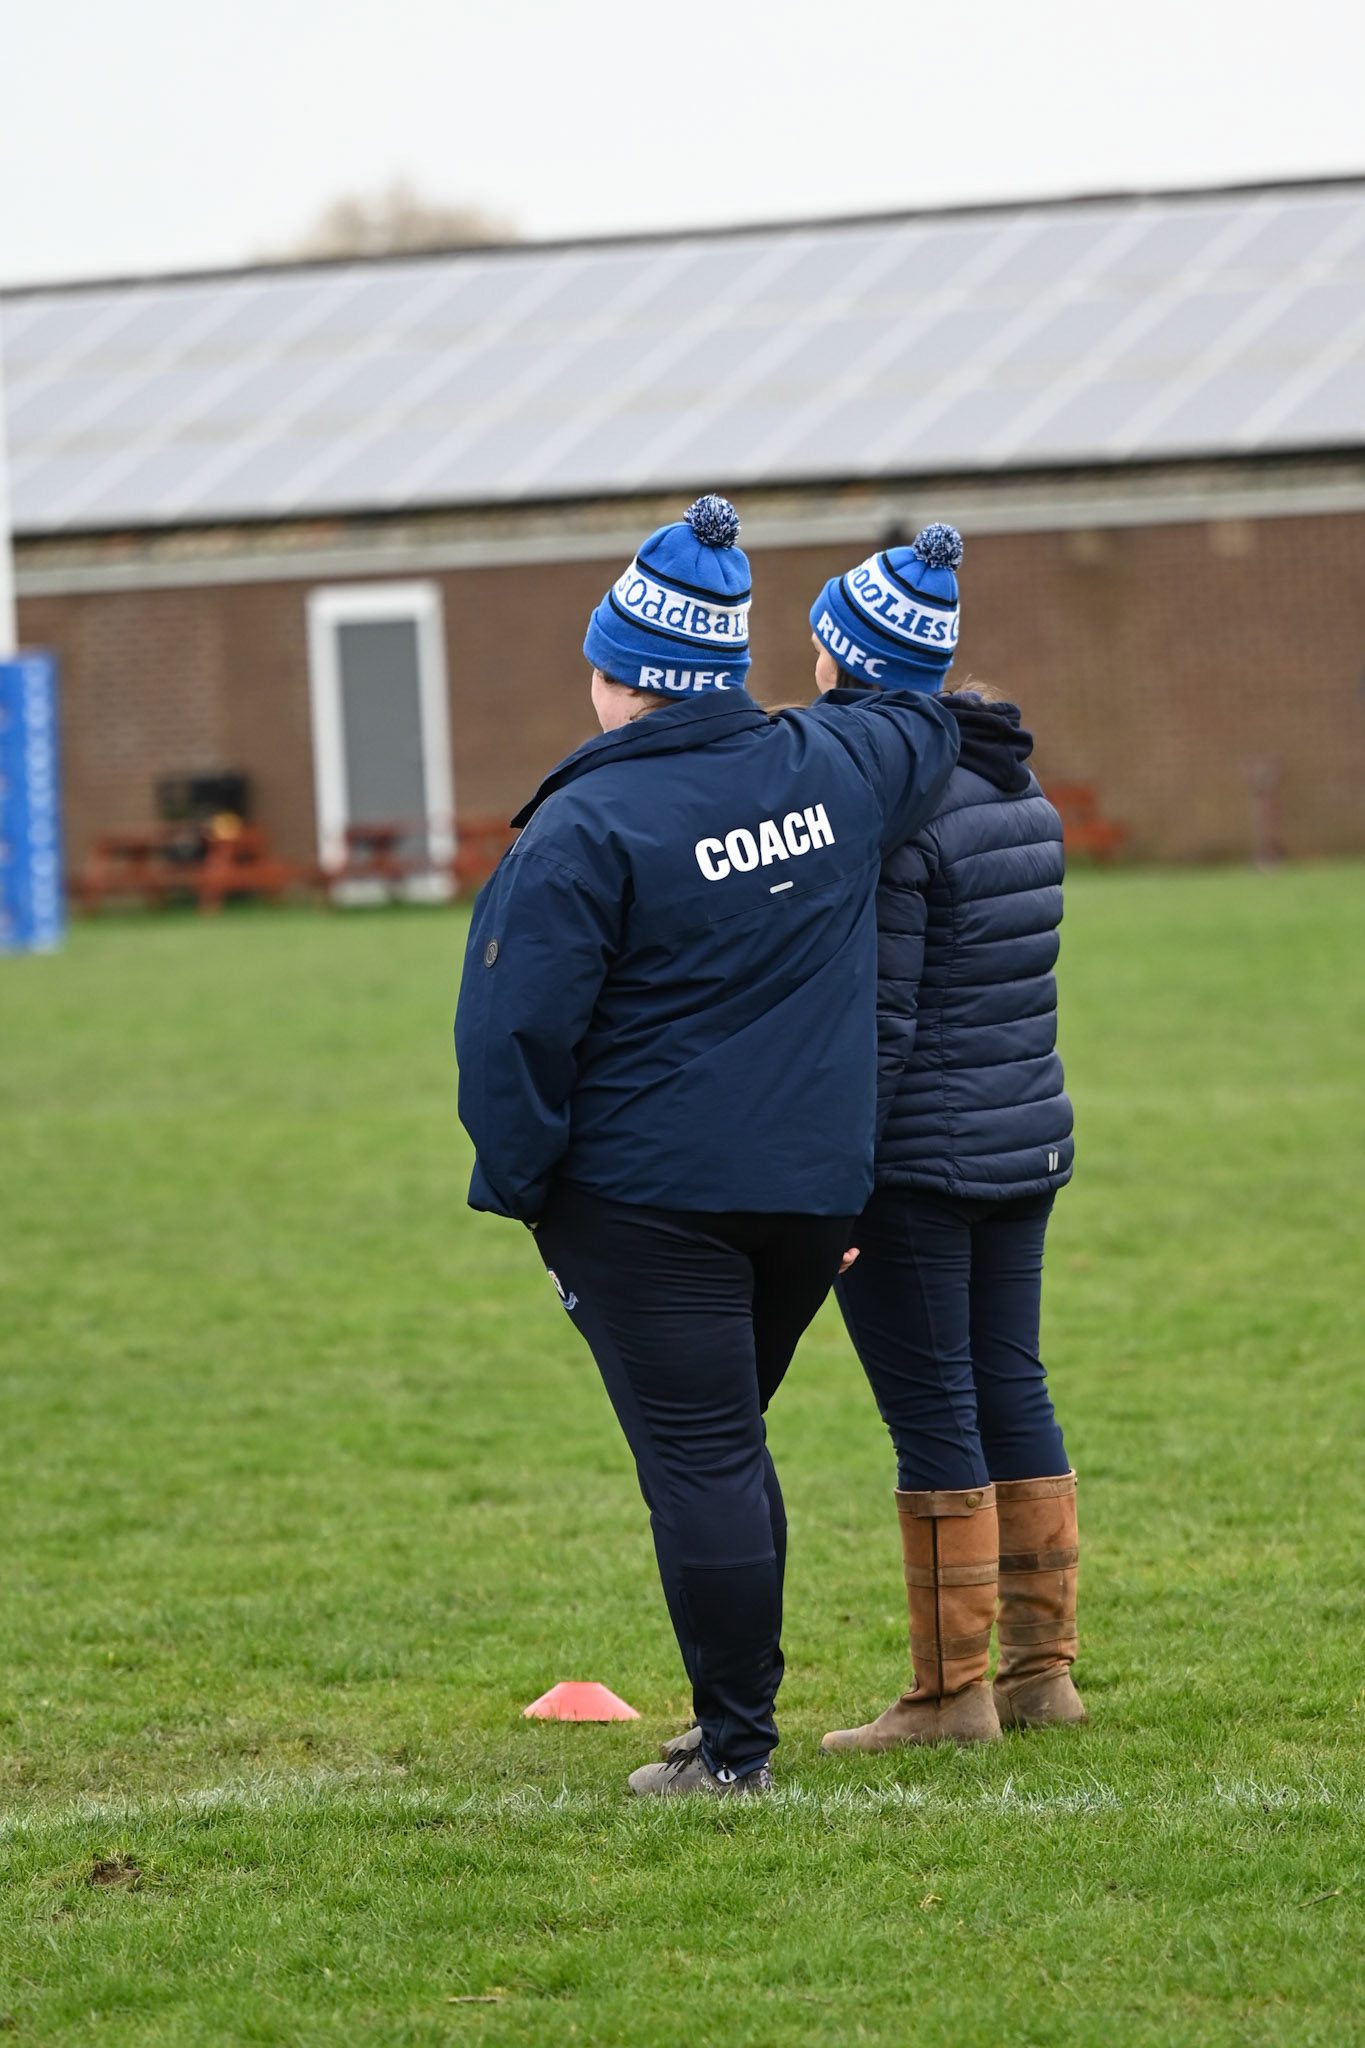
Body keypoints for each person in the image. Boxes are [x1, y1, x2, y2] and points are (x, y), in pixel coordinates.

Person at [454, 496, 961, 1798]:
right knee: (726, 1445)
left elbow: (516, 1036)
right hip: (810, 1197)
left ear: (618, 675)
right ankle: (727, 1723)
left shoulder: (581, 830)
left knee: (703, 1457)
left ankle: (735, 1748)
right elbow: (913, 714)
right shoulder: (836, 769)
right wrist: (911, 586)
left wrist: (524, 1193)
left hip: (647, 1204)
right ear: (727, 668)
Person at [807, 525, 1085, 1752]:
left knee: (935, 1410)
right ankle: (1040, 1673)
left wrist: (831, 1176)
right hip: (1025, 1141)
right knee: (1010, 1382)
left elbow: (883, 1018)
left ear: (851, 661)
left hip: (918, 1161)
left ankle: (946, 1694)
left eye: (821, 641)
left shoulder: (893, 811)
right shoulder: (1020, 790)